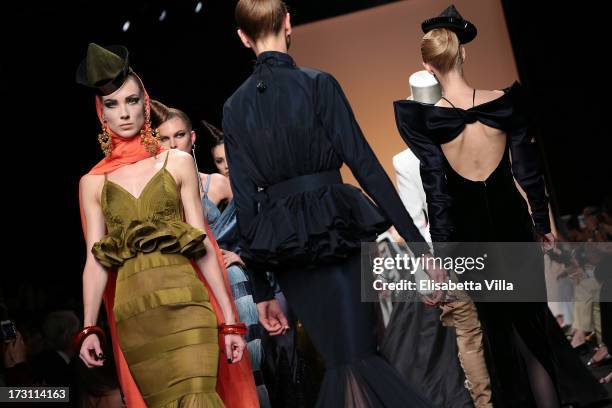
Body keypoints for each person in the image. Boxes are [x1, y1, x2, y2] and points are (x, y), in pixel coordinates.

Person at [223, 1, 442, 406]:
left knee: (345, 359)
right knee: (357, 356)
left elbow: (245, 202)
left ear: (242, 36)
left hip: (288, 247)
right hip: (336, 230)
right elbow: (365, 166)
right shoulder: (318, 83)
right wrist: (417, 247)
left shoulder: (235, 108)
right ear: (289, 22)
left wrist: (262, 291)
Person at [393, 5, 608, 407]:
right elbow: (528, 171)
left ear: (428, 65)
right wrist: (543, 223)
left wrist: (439, 257)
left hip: (470, 236)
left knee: (498, 338)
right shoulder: (501, 103)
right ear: (464, 54)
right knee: (533, 330)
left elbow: (437, 195)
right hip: (512, 226)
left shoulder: (427, 121)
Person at [76, 43, 258, 407]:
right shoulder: (92, 182)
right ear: (101, 114)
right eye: (112, 104)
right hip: (136, 318)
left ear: (145, 103)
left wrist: (228, 319)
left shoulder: (176, 162)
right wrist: (88, 327)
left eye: (131, 101)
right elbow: (95, 260)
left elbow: (202, 241)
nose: (124, 113)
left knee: (199, 397)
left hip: (188, 305)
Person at [150, 101, 272, 407]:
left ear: (192, 139)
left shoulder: (216, 184)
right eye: (164, 138)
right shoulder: (151, 194)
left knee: (248, 370)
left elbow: (261, 221)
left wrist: (244, 258)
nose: (172, 143)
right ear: (154, 141)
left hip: (229, 283)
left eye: (179, 135)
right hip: (187, 289)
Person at [384, 70, 491, 407]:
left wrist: (426, 277)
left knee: (470, 335)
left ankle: (486, 404)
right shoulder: (469, 133)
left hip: (449, 253)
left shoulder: (405, 159)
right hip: (485, 243)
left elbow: (415, 221)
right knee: (495, 329)